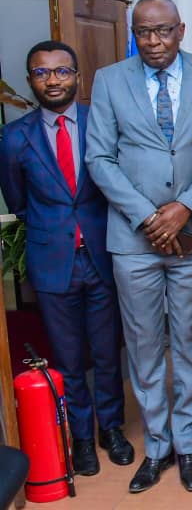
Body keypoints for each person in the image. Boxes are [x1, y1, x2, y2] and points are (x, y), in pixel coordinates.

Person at [86, 0, 192, 494]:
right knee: (145, 344)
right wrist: (149, 215)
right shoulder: (109, 80)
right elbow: (100, 159)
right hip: (134, 237)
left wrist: (185, 207)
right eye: (144, 32)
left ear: (181, 29)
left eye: (163, 31)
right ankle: (158, 446)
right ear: (134, 33)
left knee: (189, 339)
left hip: (191, 231)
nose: (153, 41)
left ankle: (189, 444)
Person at [0, 40, 133, 476]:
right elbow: (19, 201)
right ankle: (80, 435)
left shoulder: (101, 123)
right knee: (68, 356)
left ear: (77, 76)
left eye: (62, 71)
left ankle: (111, 429)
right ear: (30, 80)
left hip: (102, 255)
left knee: (108, 352)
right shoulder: (15, 137)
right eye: (42, 73)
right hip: (52, 260)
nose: (53, 80)